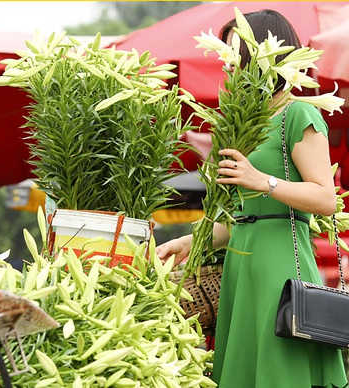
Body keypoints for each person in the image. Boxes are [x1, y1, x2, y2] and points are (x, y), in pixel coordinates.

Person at [155, 10, 348, 388]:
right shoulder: (245, 121)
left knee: (280, 373)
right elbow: (239, 218)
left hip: (280, 266)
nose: (227, 66)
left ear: (260, 56)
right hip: (241, 267)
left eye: (234, 54)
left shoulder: (300, 113)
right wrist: (187, 240)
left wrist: (262, 181)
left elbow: (326, 198)